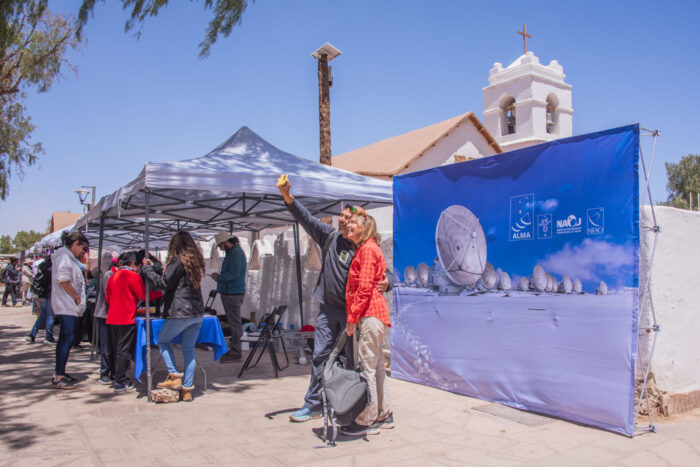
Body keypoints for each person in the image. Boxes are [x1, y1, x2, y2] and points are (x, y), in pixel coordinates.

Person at [276, 176, 390, 423]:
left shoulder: (364, 246)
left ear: (360, 224)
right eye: (342, 217)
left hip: (354, 315)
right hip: (329, 310)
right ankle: (314, 403)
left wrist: (388, 282)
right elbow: (305, 218)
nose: (343, 220)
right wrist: (288, 196)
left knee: (352, 362)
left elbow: (383, 272)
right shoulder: (330, 236)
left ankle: (348, 405)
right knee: (320, 355)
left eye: (349, 218)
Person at [341, 212, 393, 436]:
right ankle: (384, 414)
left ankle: (367, 420)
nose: (347, 225)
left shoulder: (368, 249)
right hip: (374, 315)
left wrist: (352, 320)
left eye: (353, 222)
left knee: (367, 369)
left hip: (369, 315)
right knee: (377, 367)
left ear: (366, 227)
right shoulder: (366, 249)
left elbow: (363, 289)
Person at [142, 231, 205, 402]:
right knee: (189, 351)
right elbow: (169, 276)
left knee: (162, 341)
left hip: (180, 312)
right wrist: (155, 268)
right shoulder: (194, 262)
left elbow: (164, 283)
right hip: (197, 312)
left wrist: (147, 270)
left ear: (174, 245)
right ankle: (187, 390)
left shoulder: (178, 260)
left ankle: (174, 375)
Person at [51, 231, 90, 390]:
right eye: (83, 248)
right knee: (66, 339)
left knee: (65, 340)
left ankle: (60, 372)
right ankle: (59, 376)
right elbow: (63, 279)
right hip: (67, 305)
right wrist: (76, 296)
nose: (83, 252)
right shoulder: (63, 257)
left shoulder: (68, 257)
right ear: (75, 244)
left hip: (69, 305)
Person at [105, 251, 146, 392]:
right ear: (133, 264)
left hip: (112, 317)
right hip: (126, 317)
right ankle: (120, 380)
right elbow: (143, 294)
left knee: (116, 349)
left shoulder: (113, 276)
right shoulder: (133, 276)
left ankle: (116, 375)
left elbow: (108, 298)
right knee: (123, 351)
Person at [210, 231, 246, 362]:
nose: (220, 248)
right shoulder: (232, 252)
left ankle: (236, 351)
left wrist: (218, 278)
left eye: (220, 246)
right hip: (230, 293)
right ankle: (234, 349)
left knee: (235, 324)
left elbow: (234, 274)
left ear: (225, 243)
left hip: (233, 293)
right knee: (233, 322)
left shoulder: (236, 253)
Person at [93, 252, 116, 385]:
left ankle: (112, 371)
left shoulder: (112, 274)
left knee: (112, 345)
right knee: (106, 346)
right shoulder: (108, 275)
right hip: (104, 314)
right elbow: (109, 296)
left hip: (112, 315)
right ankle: (104, 373)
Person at [26, 254, 55, 344]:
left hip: (41, 293)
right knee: (50, 315)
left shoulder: (42, 265)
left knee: (42, 315)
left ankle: (32, 334)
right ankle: (48, 336)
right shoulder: (53, 268)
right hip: (50, 293)